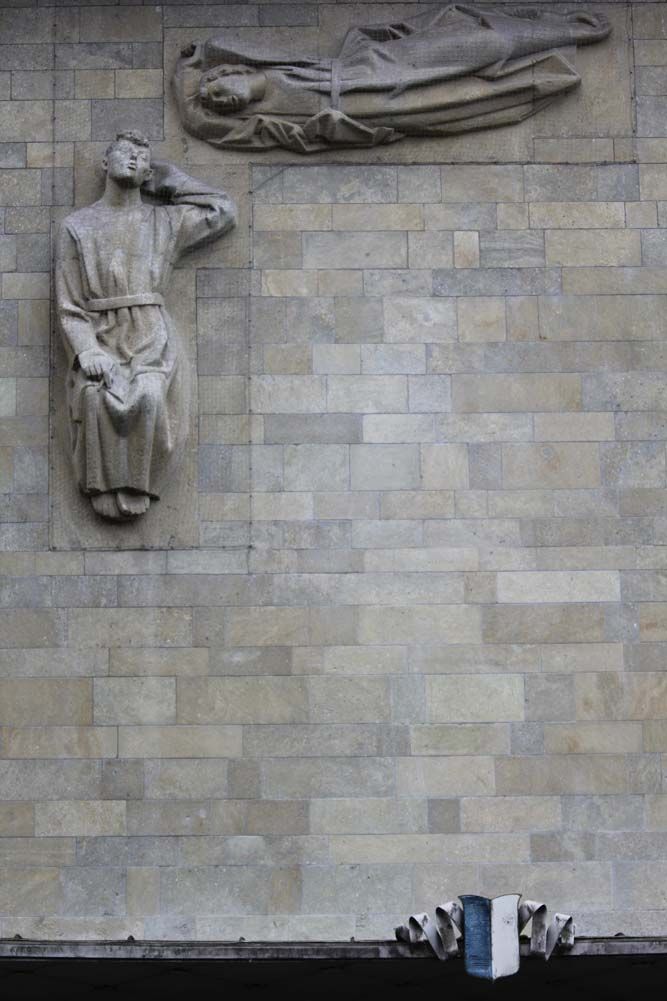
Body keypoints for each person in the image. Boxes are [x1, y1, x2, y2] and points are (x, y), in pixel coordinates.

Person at [55, 130, 236, 520]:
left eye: (143, 156)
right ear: (105, 162)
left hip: (151, 335)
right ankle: (102, 482)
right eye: (125, 151)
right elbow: (70, 306)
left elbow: (222, 210)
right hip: (100, 331)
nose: (134, 158)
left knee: (150, 395)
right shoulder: (77, 227)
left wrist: (169, 180)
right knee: (94, 397)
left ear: (149, 171)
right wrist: (87, 349)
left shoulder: (165, 221)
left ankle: (139, 481)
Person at [173, 4, 611, 154]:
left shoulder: (267, 63)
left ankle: (570, 30)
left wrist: (193, 61)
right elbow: (198, 122)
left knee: (483, 43)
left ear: (233, 71)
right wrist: (184, 78)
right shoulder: (263, 122)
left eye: (216, 91)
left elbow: (216, 44)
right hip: (367, 110)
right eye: (216, 105)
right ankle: (546, 74)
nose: (219, 103)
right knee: (470, 98)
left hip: (377, 66)